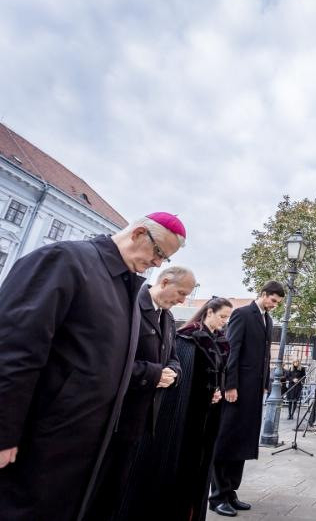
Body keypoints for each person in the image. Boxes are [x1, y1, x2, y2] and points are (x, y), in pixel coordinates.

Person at [0, 212, 185, 521]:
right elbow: (14, 350)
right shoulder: (65, 260)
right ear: (139, 233)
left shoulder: (125, 286)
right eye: (158, 252)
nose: (157, 263)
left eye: (164, 258)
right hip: (42, 439)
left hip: (86, 443)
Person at [86, 267, 195, 520]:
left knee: (117, 487)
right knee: (98, 487)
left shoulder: (167, 317)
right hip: (115, 415)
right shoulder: (132, 305)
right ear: (164, 282)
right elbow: (110, 361)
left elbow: (173, 357)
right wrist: (155, 374)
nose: (182, 300)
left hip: (142, 419)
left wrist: (173, 373)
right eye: (181, 293)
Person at [118, 296, 233, 521]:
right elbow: (184, 380)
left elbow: (219, 374)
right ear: (209, 312)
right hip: (188, 417)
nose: (225, 322)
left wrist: (218, 390)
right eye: (222, 316)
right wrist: (206, 394)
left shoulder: (220, 342)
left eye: (227, 318)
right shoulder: (188, 339)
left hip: (208, 416)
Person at [210, 281, 284, 517]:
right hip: (237, 389)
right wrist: (230, 385)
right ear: (263, 294)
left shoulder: (267, 320)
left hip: (253, 390)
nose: (274, 305)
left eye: (278, 303)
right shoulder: (242, 314)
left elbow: (264, 355)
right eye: (273, 300)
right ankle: (217, 496)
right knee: (227, 440)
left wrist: (265, 384)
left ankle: (231, 491)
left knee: (242, 441)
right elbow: (232, 350)